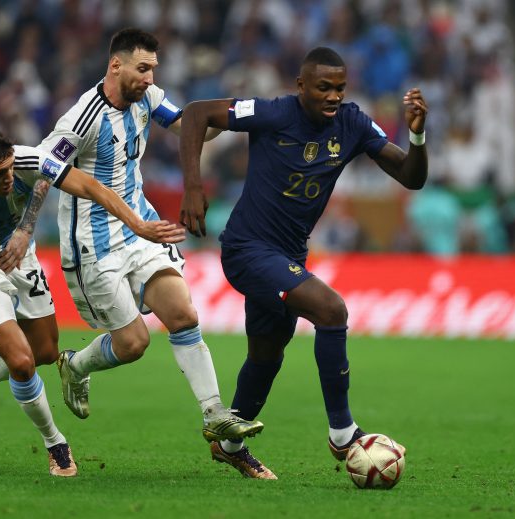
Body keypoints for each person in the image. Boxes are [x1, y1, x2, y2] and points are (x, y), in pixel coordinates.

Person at [0, 27, 263, 449]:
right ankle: (76, 366)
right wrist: (26, 228)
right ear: (115, 66)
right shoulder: (82, 118)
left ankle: (215, 414)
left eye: (153, 69)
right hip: (94, 245)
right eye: (142, 69)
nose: (150, 78)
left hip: (141, 228)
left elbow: (191, 126)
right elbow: (44, 172)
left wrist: (240, 114)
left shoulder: (149, 98)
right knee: (134, 343)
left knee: (183, 313)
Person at [178, 47, 425, 479]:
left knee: (267, 355)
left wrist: (418, 137)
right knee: (331, 310)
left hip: (290, 254)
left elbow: (411, 177)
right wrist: (193, 187)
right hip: (247, 248)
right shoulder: (273, 113)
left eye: (340, 88)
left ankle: (230, 444)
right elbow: (197, 113)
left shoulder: (352, 124)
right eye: (323, 87)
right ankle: (343, 433)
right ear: (301, 86)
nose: (333, 96)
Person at [0, 126, 185, 477]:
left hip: (21, 258)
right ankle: (56, 445)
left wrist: (137, 225)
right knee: (21, 362)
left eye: (10, 168)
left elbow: (89, 186)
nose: (9, 178)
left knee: (45, 352)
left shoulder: (29, 160)